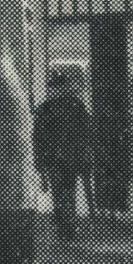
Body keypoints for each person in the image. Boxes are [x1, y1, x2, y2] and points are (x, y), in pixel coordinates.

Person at [33, 70, 94, 239]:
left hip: (63, 157)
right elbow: (38, 138)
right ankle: (66, 227)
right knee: (63, 192)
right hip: (61, 158)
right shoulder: (70, 106)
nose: (54, 91)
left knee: (63, 192)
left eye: (56, 87)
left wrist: (40, 164)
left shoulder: (69, 106)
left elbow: (87, 132)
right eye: (52, 88)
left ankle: (66, 227)